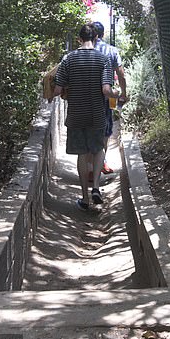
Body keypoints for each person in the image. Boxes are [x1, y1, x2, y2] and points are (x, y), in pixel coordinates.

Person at [54, 23, 116, 210]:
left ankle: (85, 198)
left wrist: (50, 94)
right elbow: (106, 90)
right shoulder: (103, 59)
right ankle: (96, 187)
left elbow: (58, 89)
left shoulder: (68, 59)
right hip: (97, 113)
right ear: (96, 38)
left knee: (82, 153)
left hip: (76, 113)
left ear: (79, 39)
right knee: (98, 149)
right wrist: (117, 95)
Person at [92, 21, 127, 175]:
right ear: (102, 34)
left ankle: (92, 167)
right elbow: (120, 73)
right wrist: (123, 93)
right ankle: (101, 161)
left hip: (85, 97)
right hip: (107, 96)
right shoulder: (111, 50)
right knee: (105, 130)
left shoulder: (84, 50)